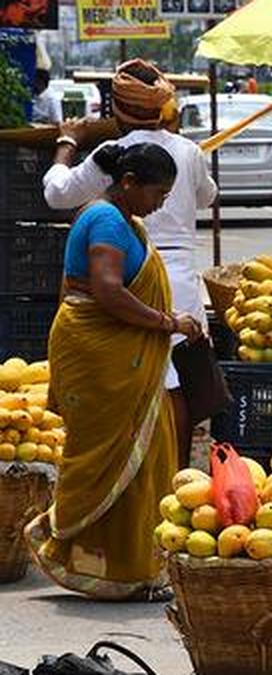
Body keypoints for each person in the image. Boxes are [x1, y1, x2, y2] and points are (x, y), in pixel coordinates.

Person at [27, 142, 203, 601]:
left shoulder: (127, 221)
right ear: (128, 183)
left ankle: (131, 567)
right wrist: (169, 323)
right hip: (98, 353)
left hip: (118, 353)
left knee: (142, 461)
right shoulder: (105, 219)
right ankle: (110, 569)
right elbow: (107, 290)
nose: (161, 202)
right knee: (109, 456)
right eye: (157, 192)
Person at [44, 59, 217, 471]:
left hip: (135, 282)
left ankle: (149, 475)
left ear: (116, 110)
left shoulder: (112, 156)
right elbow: (207, 197)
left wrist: (67, 142)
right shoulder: (188, 151)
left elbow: (57, 194)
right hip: (177, 281)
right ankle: (168, 472)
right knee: (177, 386)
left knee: (153, 386)